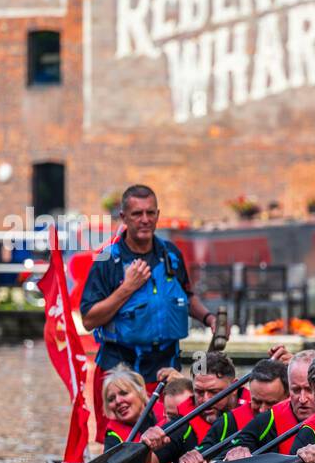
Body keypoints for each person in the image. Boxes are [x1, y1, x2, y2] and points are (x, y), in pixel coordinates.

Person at [80, 184, 216, 432]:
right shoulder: (106, 260)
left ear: (157, 214)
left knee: (171, 434)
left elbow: (186, 295)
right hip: (121, 366)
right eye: (137, 214)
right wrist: (127, 288)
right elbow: (89, 319)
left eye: (150, 213)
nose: (145, 220)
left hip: (165, 365)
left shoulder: (171, 254)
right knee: (119, 440)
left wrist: (209, 319)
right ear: (123, 217)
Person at [99, 366, 159, 449]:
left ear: (140, 391)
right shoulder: (112, 438)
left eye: (124, 393)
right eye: (111, 399)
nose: (118, 401)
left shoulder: (167, 412)